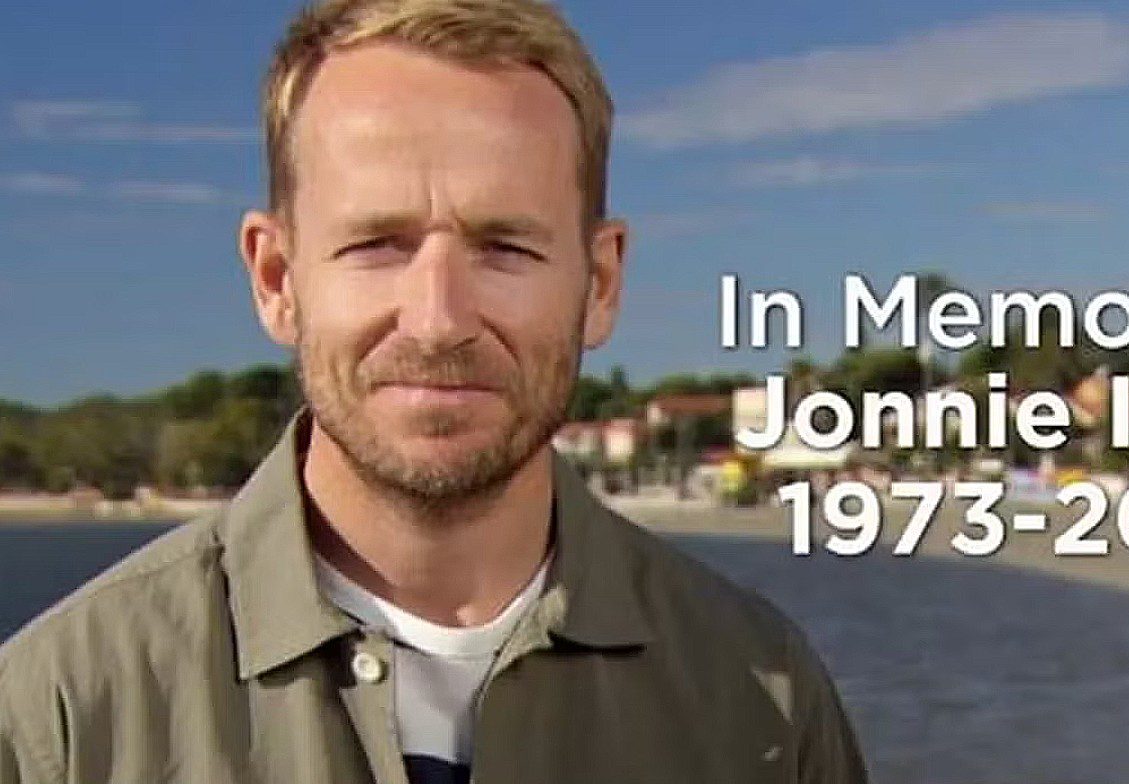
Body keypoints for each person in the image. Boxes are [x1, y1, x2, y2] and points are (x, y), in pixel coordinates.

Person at [0, 1, 870, 782]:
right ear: (276, 277)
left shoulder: (761, 698)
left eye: (506, 247)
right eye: (377, 243)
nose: (438, 319)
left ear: (600, 282)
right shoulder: (62, 719)